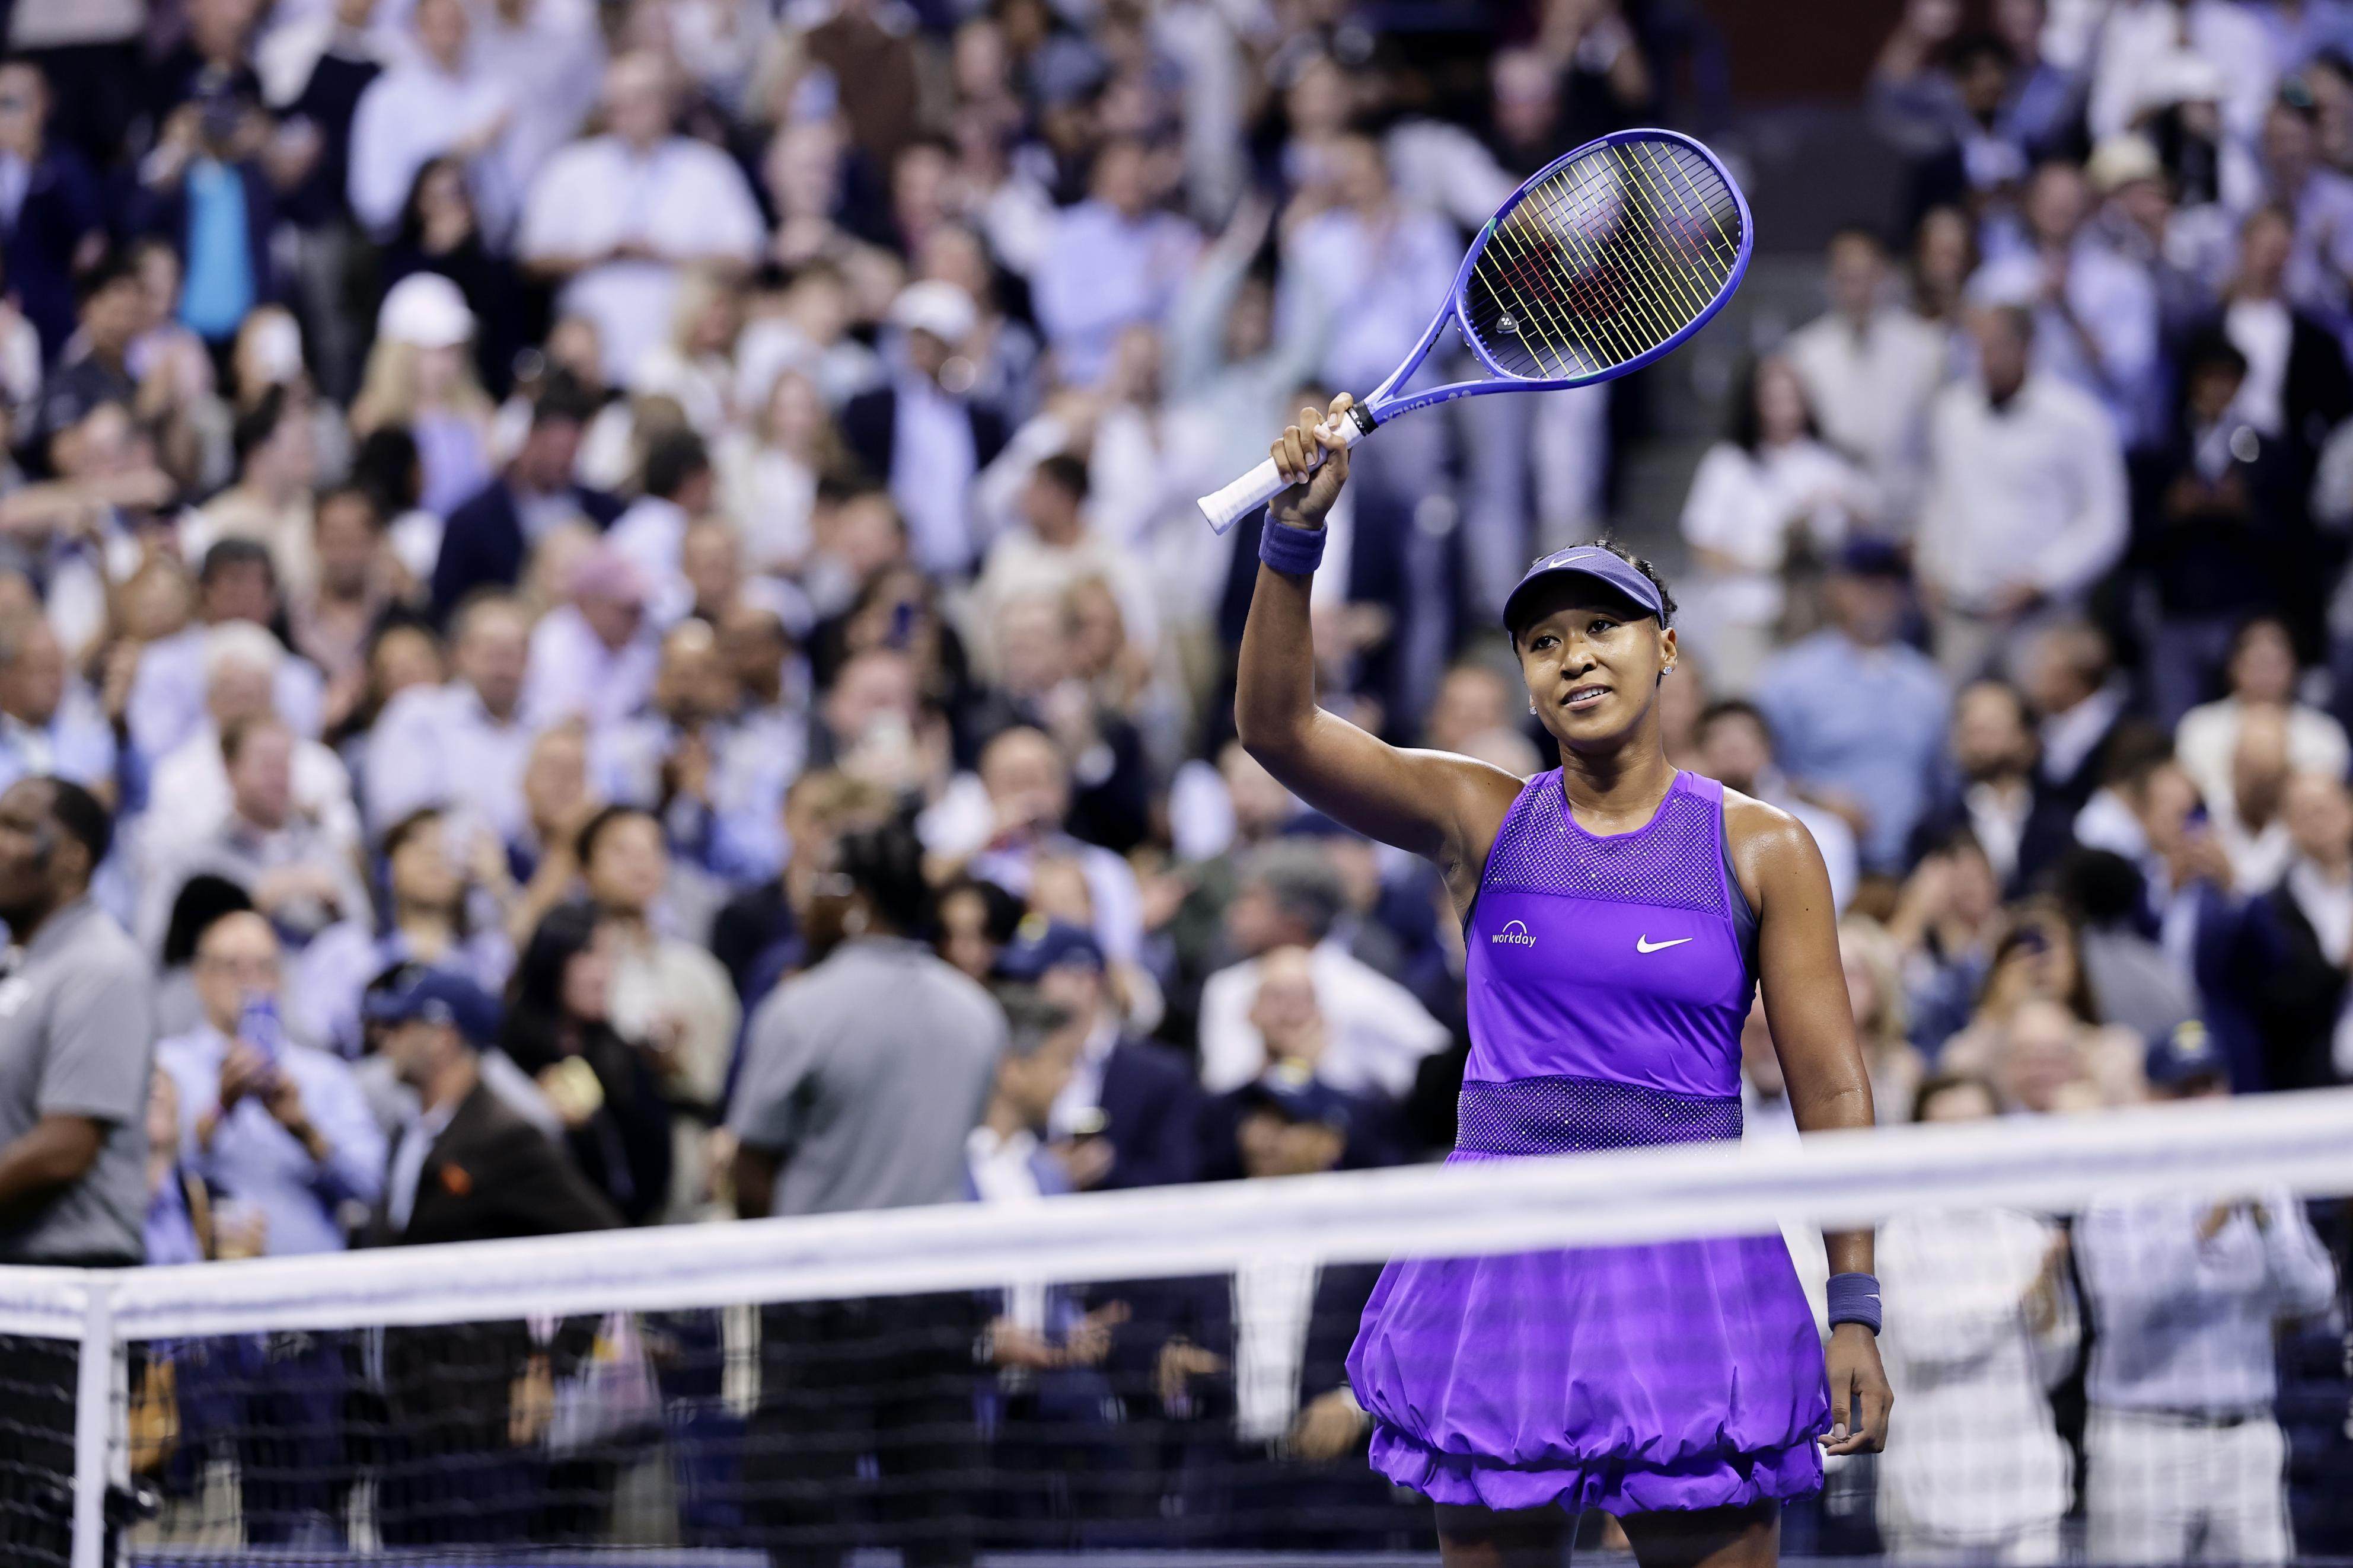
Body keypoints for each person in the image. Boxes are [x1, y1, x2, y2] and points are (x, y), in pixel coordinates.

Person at [1238, 398, 1889, 1564]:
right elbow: (1277, 728)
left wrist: (1855, 1303)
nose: (1574, 654)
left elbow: (1834, 1091)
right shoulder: (1477, 814)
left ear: (1666, 647)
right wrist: (1294, 534)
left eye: (1603, 625)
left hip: (1687, 1251)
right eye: (1544, 640)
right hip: (1501, 1250)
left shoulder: (1764, 847)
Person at [728, 819, 1004, 1567]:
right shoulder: (976, 1012)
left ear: (852, 900)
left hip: (821, 1299)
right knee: (937, 1518)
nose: (806, 900)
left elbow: (750, 1167)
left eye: (821, 883)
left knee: (804, 1521)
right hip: (937, 1299)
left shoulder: (799, 1009)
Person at [365, 965, 621, 1545]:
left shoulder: (506, 1135)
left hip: (479, 1419)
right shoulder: (411, 1134)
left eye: (402, 1022)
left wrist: (552, 1365)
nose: (387, 1035)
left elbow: (605, 1245)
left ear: (443, 1035)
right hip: (403, 1419)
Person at [152, 908, 382, 1545]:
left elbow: (372, 1186)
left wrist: (304, 1128)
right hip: (201, 1342)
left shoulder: (324, 1075)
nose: (248, 981)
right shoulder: (167, 1065)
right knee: (204, 1526)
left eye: (262, 967)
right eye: (231, 966)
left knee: (304, 1527)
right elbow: (146, 1173)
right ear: (200, 978)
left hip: (307, 1336)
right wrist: (216, 1112)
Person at [2074, 1020, 2339, 1566]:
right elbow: (2126, 1311)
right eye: (2184, 1091)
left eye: (2211, 1086)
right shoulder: (2113, 1192)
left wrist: (2266, 1220)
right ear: (2150, 1098)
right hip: (2145, 1440)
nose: (2203, 1103)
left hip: (2246, 1436)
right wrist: (2207, 1224)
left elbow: (2314, 1296)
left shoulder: (2263, 1182)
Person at [0, 778, 152, 1562]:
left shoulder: (101, 966)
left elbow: (65, 1145)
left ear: (73, 857)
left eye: (15, 827)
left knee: (47, 1539)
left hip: (71, 1302)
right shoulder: (20, 971)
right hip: (16, 1291)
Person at [1874, 1072, 2076, 1564]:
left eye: (1977, 1126)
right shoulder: (1899, 1238)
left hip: (2029, 1487)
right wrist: (2018, 1300)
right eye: (1950, 1130)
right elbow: (1925, 1342)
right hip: (1932, 1493)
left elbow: (2055, 1367)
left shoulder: (2028, 1232)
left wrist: (2048, 1315)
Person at [1915, 305, 2128, 679]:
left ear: (2029, 347)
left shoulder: (2077, 417)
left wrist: (2042, 579)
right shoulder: (1953, 412)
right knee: (1961, 727)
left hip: (2042, 618)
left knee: (2042, 729)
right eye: (1978, 347)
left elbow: (2107, 522)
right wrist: (1929, 563)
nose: (1986, 359)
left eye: (1997, 347)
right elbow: (1941, 496)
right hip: (1961, 612)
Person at [1755, 539, 1951, 873]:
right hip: (1816, 863)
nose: (1875, 600)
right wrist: (1817, 800)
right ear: (1835, 591)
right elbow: (1760, 775)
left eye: (1886, 587)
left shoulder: (1928, 685)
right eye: (1863, 586)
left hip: (1909, 864)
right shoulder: (1789, 678)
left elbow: (1944, 785)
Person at [499, 902, 672, 1224]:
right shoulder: (508, 1053)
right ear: (553, 960)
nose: (603, 974)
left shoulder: (619, 1052)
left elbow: (653, 1159)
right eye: (589, 955)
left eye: (611, 957)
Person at [996, 918, 1199, 1190]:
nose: (1023, 993)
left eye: (1035, 978)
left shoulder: (1160, 1075)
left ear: (1086, 982)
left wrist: (1106, 1169)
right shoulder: (1008, 1062)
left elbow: (1180, 1184)